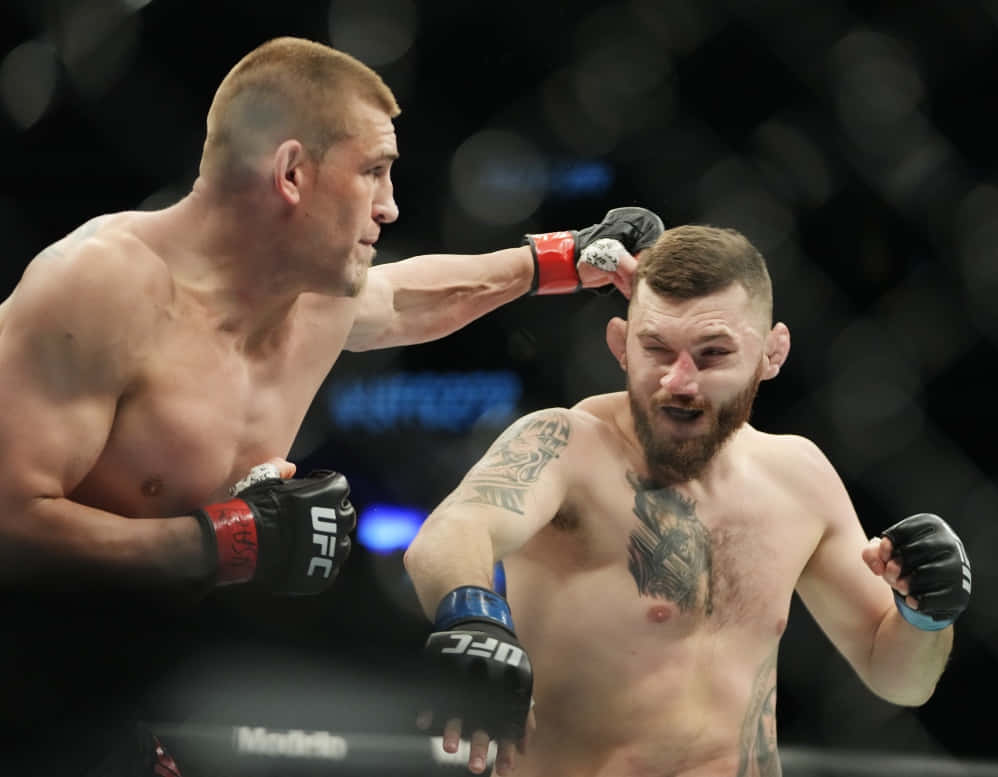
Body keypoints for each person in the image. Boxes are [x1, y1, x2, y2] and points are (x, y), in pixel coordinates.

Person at [0, 35, 666, 776]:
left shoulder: (311, 296)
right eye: (373, 171)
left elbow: (408, 297)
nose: (391, 205)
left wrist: (564, 258)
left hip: (114, 686)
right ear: (292, 173)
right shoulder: (101, 287)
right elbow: (9, 521)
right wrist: (223, 542)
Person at [404, 224, 972, 777]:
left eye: (712, 354)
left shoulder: (800, 476)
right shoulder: (565, 447)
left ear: (772, 353)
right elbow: (452, 531)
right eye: (656, 349)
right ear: (621, 346)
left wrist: (925, 615)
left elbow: (900, 678)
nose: (678, 381)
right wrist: (473, 615)